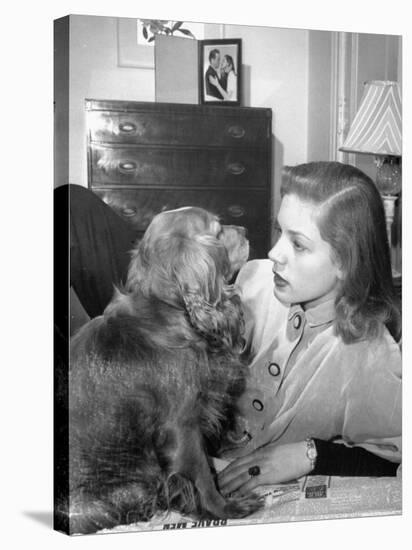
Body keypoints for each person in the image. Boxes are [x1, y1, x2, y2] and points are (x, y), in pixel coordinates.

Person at [217, 161, 401, 497]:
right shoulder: (254, 280)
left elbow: (392, 458)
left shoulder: (371, 351)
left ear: (347, 261)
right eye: (278, 232)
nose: (274, 252)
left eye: (298, 245)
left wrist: (309, 453)